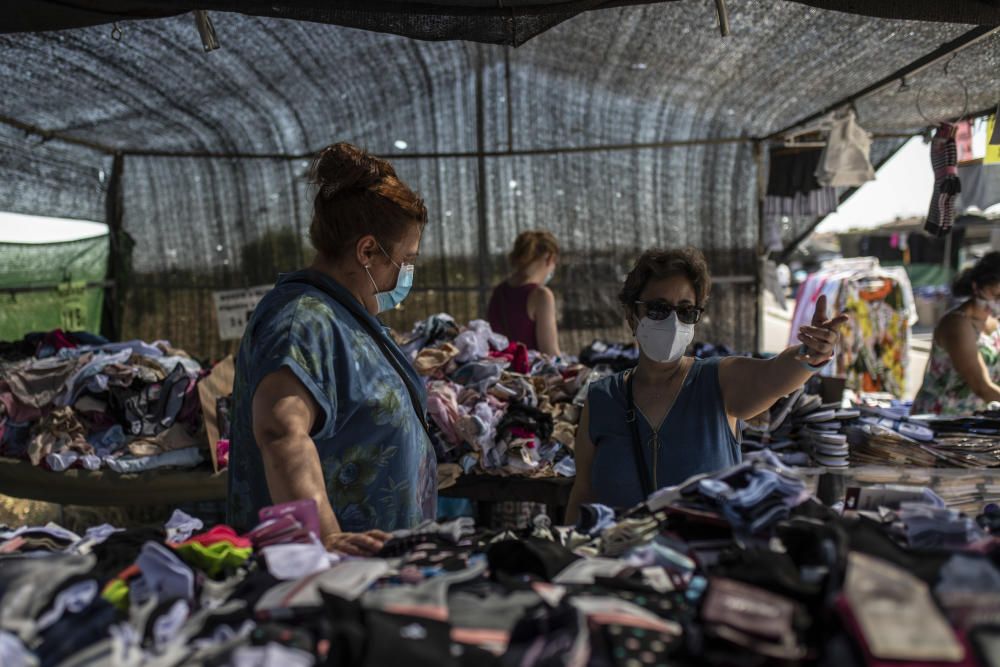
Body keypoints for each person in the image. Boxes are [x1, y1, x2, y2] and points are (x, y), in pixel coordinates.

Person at [226, 142, 436, 555]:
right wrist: (325, 537)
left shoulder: (341, 314)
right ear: (368, 251)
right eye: (406, 260)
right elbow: (280, 429)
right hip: (329, 574)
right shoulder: (302, 320)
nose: (408, 273)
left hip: (372, 567)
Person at [566, 248, 846, 519]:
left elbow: (774, 375)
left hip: (704, 562)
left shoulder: (719, 381)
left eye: (686, 311)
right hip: (621, 561)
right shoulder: (602, 398)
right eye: (658, 309)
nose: (673, 322)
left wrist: (809, 355)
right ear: (631, 315)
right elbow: (583, 495)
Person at [913, 252, 1000, 415]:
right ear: (976, 287)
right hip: (942, 421)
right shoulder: (957, 325)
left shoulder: (996, 323)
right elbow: (981, 386)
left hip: (976, 422)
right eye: (996, 295)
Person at [487, 230, 561, 356]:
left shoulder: (499, 291)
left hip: (501, 371)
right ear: (550, 259)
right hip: (530, 373)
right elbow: (549, 352)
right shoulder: (541, 295)